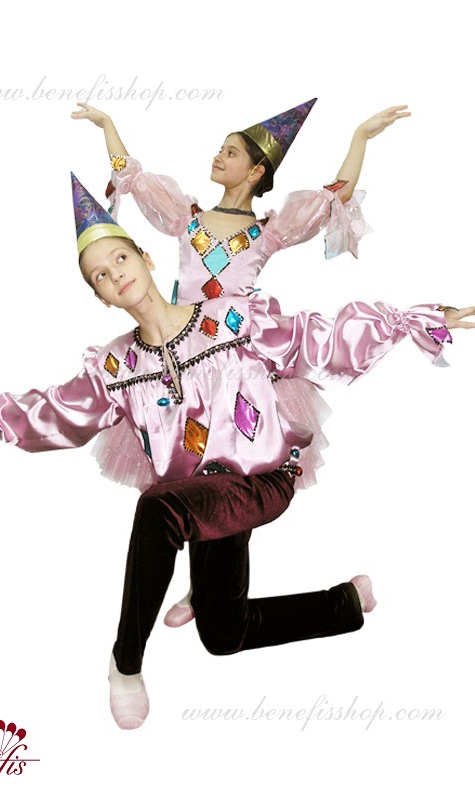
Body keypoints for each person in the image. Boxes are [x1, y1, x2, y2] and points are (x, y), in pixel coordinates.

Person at [0, 175, 475, 729]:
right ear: (100, 296)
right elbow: (56, 409)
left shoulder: (230, 321)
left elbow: (318, 337)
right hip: (200, 499)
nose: (116, 274)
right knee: (224, 635)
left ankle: (125, 661)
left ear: (146, 258)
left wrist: (414, 319)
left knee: (158, 508)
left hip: (258, 480)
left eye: (120, 258)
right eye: (100, 275)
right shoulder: (114, 367)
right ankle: (345, 603)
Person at [72, 98, 411, 625]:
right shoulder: (185, 217)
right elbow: (131, 178)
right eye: (221, 148)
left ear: (255, 171)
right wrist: (108, 127)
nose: (219, 156)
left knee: (234, 466)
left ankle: (205, 590)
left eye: (231, 153)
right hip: (181, 359)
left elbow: (334, 196)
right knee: (184, 465)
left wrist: (360, 137)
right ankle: (203, 588)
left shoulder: (267, 232)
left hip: (236, 365)